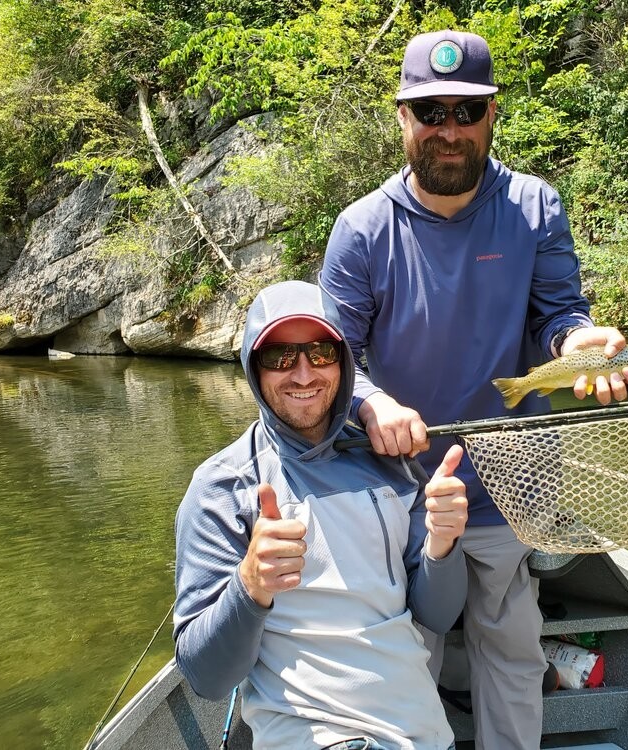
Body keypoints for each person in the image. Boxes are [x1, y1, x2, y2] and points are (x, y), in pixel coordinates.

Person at [319, 30, 628, 750]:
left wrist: (576, 344)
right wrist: (374, 403)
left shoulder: (534, 206)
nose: (450, 130)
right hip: (397, 487)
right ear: (403, 118)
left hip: (512, 480)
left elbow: (559, 316)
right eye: (431, 111)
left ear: (492, 114)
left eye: (467, 112)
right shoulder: (361, 229)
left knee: (510, 649)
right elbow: (333, 359)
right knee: (406, 656)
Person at [173, 280, 470, 750]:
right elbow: (206, 678)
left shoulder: (390, 463)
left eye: (319, 352)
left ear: (343, 360)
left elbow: (439, 615)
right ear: (253, 367)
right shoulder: (222, 488)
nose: (304, 374)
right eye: (280, 357)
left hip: (425, 734)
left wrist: (443, 544)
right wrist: (251, 585)